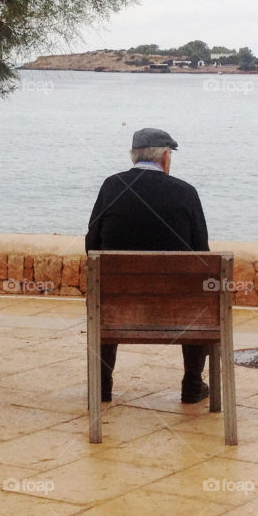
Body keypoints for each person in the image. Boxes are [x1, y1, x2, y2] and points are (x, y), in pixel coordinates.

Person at [86, 126, 210, 405]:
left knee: (107, 293)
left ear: (134, 157)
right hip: (177, 311)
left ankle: (102, 385)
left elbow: (91, 244)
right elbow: (202, 255)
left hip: (117, 308)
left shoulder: (111, 186)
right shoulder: (186, 193)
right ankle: (192, 384)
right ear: (165, 157)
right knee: (199, 298)